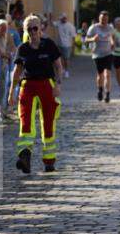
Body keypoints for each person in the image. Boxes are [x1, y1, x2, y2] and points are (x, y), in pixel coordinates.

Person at [8, 13, 63, 174]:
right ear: (25, 31)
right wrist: (11, 91)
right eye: (29, 29)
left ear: (40, 29)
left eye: (35, 28)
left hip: (47, 85)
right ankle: (25, 156)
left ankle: (49, 160)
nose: (32, 32)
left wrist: (58, 84)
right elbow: (17, 72)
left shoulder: (49, 45)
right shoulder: (23, 49)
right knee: (25, 122)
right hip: (28, 87)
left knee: (48, 123)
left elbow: (58, 66)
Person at [85, 11, 114, 102]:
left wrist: (113, 43)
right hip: (97, 54)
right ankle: (100, 90)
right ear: (99, 18)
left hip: (108, 53)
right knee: (100, 74)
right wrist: (93, 39)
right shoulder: (93, 28)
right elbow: (86, 39)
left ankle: (108, 94)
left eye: (106, 19)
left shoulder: (110, 28)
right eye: (102, 19)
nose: (104, 21)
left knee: (107, 74)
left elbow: (112, 37)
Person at [55, 13, 76, 78]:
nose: (61, 20)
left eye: (62, 18)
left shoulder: (70, 26)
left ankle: (66, 71)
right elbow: (51, 23)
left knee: (66, 58)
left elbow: (73, 36)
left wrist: (73, 46)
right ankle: (63, 69)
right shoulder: (59, 23)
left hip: (67, 45)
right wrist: (49, 15)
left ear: (65, 18)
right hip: (59, 44)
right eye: (60, 19)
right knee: (60, 58)